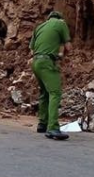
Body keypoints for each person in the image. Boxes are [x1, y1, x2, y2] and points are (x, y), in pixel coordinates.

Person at [30, 11, 72, 141]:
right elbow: (69, 47)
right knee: (55, 93)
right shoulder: (61, 24)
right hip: (47, 62)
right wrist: (61, 56)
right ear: (60, 19)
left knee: (44, 92)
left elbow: (31, 50)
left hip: (36, 62)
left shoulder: (40, 27)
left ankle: (42, 123)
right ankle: (53, 127)